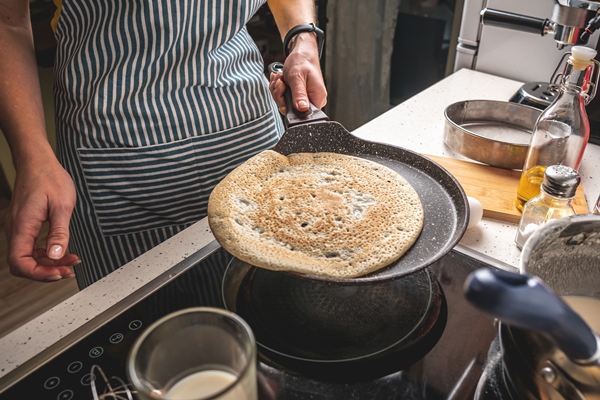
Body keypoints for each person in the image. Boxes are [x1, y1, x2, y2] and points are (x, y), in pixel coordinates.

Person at [0, 0, 327, 289]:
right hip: (117, 161)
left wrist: (302, 37)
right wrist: (32, 160)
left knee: (278, 307)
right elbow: (8, 20)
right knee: (144, 336)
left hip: (248, 129)